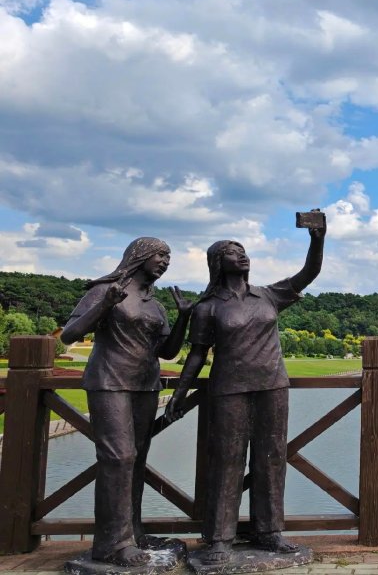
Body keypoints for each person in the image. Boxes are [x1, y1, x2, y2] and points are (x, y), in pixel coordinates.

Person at [165, 212, 325, 565]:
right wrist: (179, 393)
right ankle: (219, 538)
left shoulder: (268, 295)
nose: (242, 255)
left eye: (243, 250)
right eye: (232, 251)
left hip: (272, 386)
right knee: (227, 462)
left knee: (271, 459)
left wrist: (317, 239)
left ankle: (269, 532)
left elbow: (308, 274)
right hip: (229, 389)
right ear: (218, 262)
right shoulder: (207, 307)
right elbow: (196, 356)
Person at [61, 237, 193, 567]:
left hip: (145, 386)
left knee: (135, 460)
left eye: (169, 256)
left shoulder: (154, 304)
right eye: (161, 255)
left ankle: (131, 532)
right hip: (109, 381)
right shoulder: (105, 289)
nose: (166, 261)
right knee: (118, 458)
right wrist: (105, 304)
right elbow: (69, 334)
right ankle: (110, 545)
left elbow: (168, 352)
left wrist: (183, 317)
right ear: (141, 256)